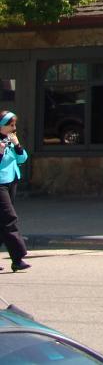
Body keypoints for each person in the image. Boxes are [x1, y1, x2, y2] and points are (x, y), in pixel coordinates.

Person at [0, 112, 29, 272]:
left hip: (12, 181)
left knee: (2, 222)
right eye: (11, 125)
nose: (14, 128)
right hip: (0, 184)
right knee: (9, 218)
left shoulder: (10, 139)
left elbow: (22, 159)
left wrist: (17, 145)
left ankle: (17, 259)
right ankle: (18, 258)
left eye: (14, 125)